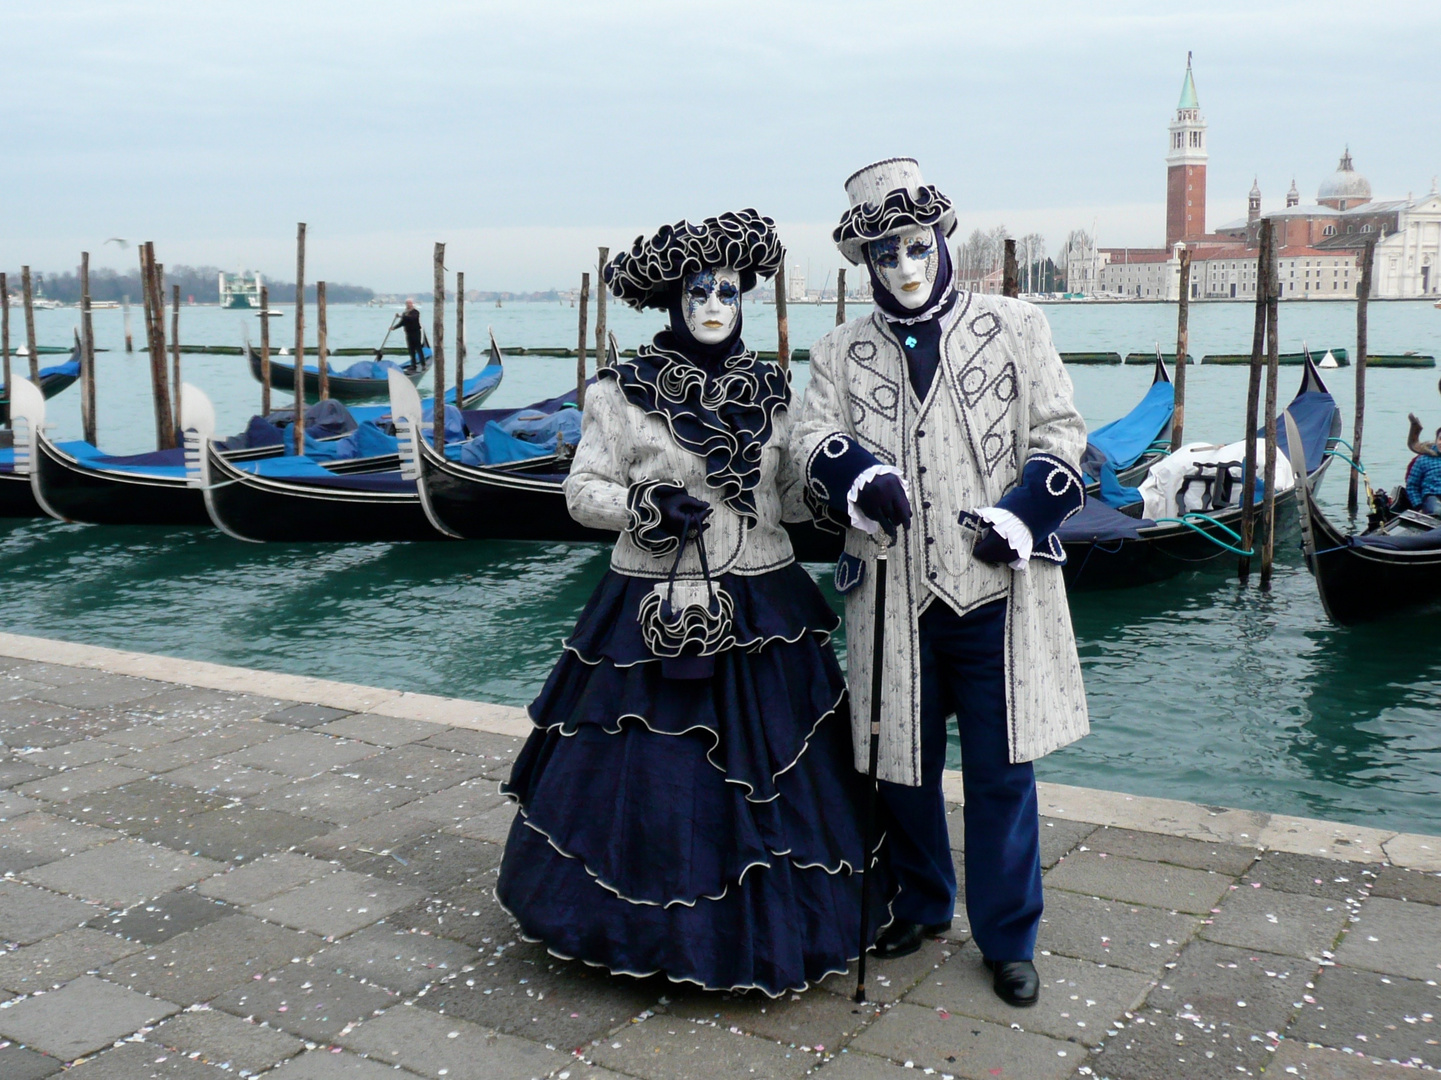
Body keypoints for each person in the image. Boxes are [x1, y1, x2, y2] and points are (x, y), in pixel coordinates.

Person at [496, 209, 887, 995]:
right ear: (673, 301)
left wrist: (851, 489)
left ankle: (790, 923)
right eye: (699, 292)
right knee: (654, 770)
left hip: (765, 603)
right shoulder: (619, 391)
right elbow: (580, 491)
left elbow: (785, 495)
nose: (714, 306)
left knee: (784, 765)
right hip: (652, 600)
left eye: (728, 293)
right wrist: (645, 503)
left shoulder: (774, 390)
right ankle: (645, 932)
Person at [792, 159, 1089, 1008]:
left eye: (915, 248)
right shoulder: (836, 351)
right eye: (885, 256)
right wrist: (850, 473)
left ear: (940, 241)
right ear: (866, 263)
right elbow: (809, 438)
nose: (905, 268)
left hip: (996, 595)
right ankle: (922, 903)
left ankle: (1008, 936)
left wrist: (1025, 512)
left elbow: (1062, 432)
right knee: (899, 767)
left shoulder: (1015, 324)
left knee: (1001, 773)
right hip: (890, 593)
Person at [1406, 412, 1441, 515]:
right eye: (1440, 439)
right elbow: (1412, 486)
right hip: (1433, 498)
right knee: (1438, 512)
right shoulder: (1423, 460)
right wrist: (1419, 507)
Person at [396, 299, 425, 368]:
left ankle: (423, 364)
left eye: (410, 303)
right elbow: (402, 323)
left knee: (418, 348)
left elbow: (412, 318)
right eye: (407, 303)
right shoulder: (405, 313)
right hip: (408, 333)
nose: (409, 305)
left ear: (412, 304)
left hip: (416, 332)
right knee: (411, 349)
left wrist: (401, 316)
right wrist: (394, 328)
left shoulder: (416, 312)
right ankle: (413, 364)